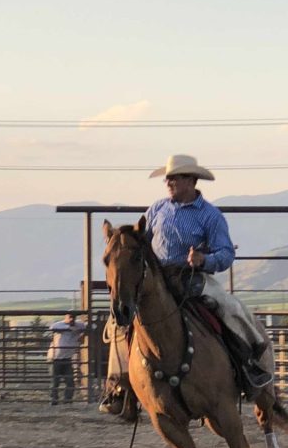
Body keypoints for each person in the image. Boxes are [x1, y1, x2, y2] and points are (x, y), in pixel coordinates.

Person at [100, 154, 273, 414]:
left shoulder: (210, 216)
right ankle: (120, 388)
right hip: (157, 280)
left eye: (175, 177)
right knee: (117, 321)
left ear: (191, 180)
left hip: (193, 278)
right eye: (168, 177)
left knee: (230, 308)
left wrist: (204, 259)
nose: (169, 181)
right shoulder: (157, 209)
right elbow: (140, 243)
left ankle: (251, 365)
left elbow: (226, 253)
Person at [48, 312, 87, 405]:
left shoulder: (78, 326)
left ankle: (67, 400)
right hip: (55, 358)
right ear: (65, 318)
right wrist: (69, 328)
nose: (71, 319)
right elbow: (52, 327)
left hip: (67, 359)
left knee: (70, 382)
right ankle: (54, 400)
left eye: (73, 317)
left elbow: (89, 326)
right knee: (55, 382)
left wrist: (76, 328)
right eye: (69, 317)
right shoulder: (60, 325)